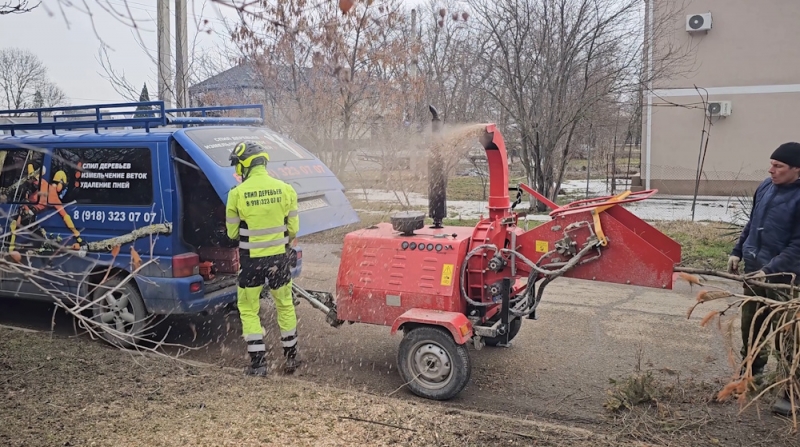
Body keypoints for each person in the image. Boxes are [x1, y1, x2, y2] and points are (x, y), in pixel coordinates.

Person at [728, 142, 800, 417]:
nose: (771, 170)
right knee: (752, 326)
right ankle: (751, 374)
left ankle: (792, 390)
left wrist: (769, 270)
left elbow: (797, 246)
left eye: (778, 166)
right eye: (771, 164)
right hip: (755, 271)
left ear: (797, 169)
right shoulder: (766, 187)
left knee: (789, 336)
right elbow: (752, 223)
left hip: (786, 279)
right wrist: (738, 251)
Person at [225, 141, 300, 376]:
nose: (237, 170)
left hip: (251, 262)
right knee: (285, 304)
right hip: (279, 260)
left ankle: (258, 364)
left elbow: (232, 234)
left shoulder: (236, 194)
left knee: (248, 309)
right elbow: (293, 229)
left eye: (237, 165)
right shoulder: (286, 189)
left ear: (244, 164)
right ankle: (291, 357)